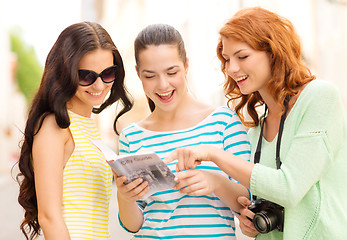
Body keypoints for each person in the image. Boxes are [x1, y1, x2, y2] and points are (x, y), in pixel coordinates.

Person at [165, 7, 347, 240]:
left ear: (273, 52)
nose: (231, 69)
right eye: (227, 59)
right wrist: (248, 218)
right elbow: (265, 200)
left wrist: (214, 154)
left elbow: (288, 189)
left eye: (242, 56)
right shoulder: (256, 132)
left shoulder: (319, 97)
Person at [115, 23, 251, 239]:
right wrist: (125, 197)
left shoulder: (223, 122)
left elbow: (247, 201)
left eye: (172, 72)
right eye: (150, 76)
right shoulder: (131, 136)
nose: (162, 85)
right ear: (138, 74)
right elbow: (134, 225)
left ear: (186, 66)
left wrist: (214, 182)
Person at [16, 22, 133, 240]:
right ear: (65, 73)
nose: (99, 86)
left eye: (108, 73)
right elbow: (49, 217)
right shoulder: (55, 125)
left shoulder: (89, 128)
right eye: (86, 76)